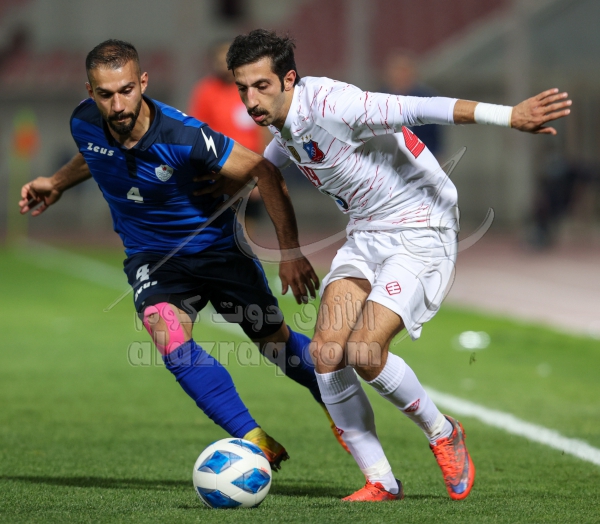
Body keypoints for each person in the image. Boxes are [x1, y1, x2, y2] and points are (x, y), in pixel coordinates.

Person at [226, 29, 572, 501]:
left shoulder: (335, 104)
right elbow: (268, 166)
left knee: (366, 352)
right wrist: (257, 217)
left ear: (288, 79)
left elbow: (422, 107)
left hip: (422, 226)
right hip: (366, 232)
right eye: (242, 88)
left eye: (261, 86)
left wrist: (509, 115)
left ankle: (442, 432)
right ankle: (381, 481)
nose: (251, 100)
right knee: (326, 354)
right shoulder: (280, 119)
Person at [18, 39, 349, 471]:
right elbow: (94, 154)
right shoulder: (84, 121)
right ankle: (253, 438)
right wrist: (56, 182)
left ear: (143, 82)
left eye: (126, 91)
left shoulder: (183, 135)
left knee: (277, 347)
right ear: (90, 91)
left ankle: (336, 404)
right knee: (167, 332)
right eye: (105, 94)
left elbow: (265, 172)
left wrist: (290, 253)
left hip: (218, 251)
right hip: (152, 258)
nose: (117, 105)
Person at [188, 39, 269, 224]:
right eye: (219, 59)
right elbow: (198, 133)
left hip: (250, 167)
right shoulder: (205, 91)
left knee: (248, 224)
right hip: (218, 167)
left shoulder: (252, 90)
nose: (223, 64)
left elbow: (263, 130)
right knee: (221, 223)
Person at [381, 49, 442, 157]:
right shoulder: (379, 100)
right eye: (397, 70)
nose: (401, 75)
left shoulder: (427, 100)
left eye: (405, 71)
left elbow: (435, 138)